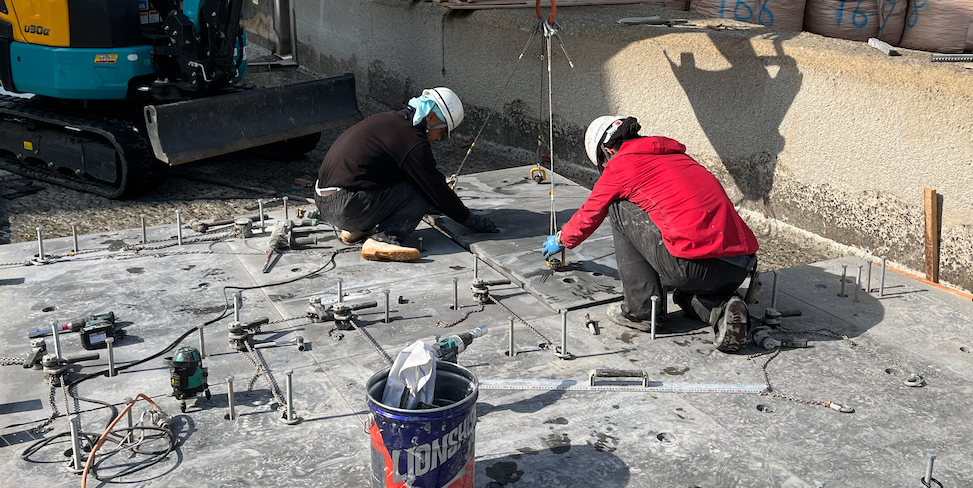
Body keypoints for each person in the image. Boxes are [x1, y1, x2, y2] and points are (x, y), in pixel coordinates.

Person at [541, 116, 759, 352]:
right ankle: (723, 309)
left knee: (617, 207)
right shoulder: (676, 156)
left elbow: (590, 214)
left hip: (691, 268)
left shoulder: (621, 165)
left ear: (608, 151)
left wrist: (561, 239)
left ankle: (641, 311)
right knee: (682, 296)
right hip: (739, 267)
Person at [314, 87, 499, 262]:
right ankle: (384, 239)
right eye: (443, 132)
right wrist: (470, 220)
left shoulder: (391, 121)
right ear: (432, 117)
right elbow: (435, 189)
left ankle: (358, 230)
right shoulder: (412, 140)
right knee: (423, 190)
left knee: (410, 181)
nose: (439, 138)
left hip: (325, 202)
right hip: (346, 207)